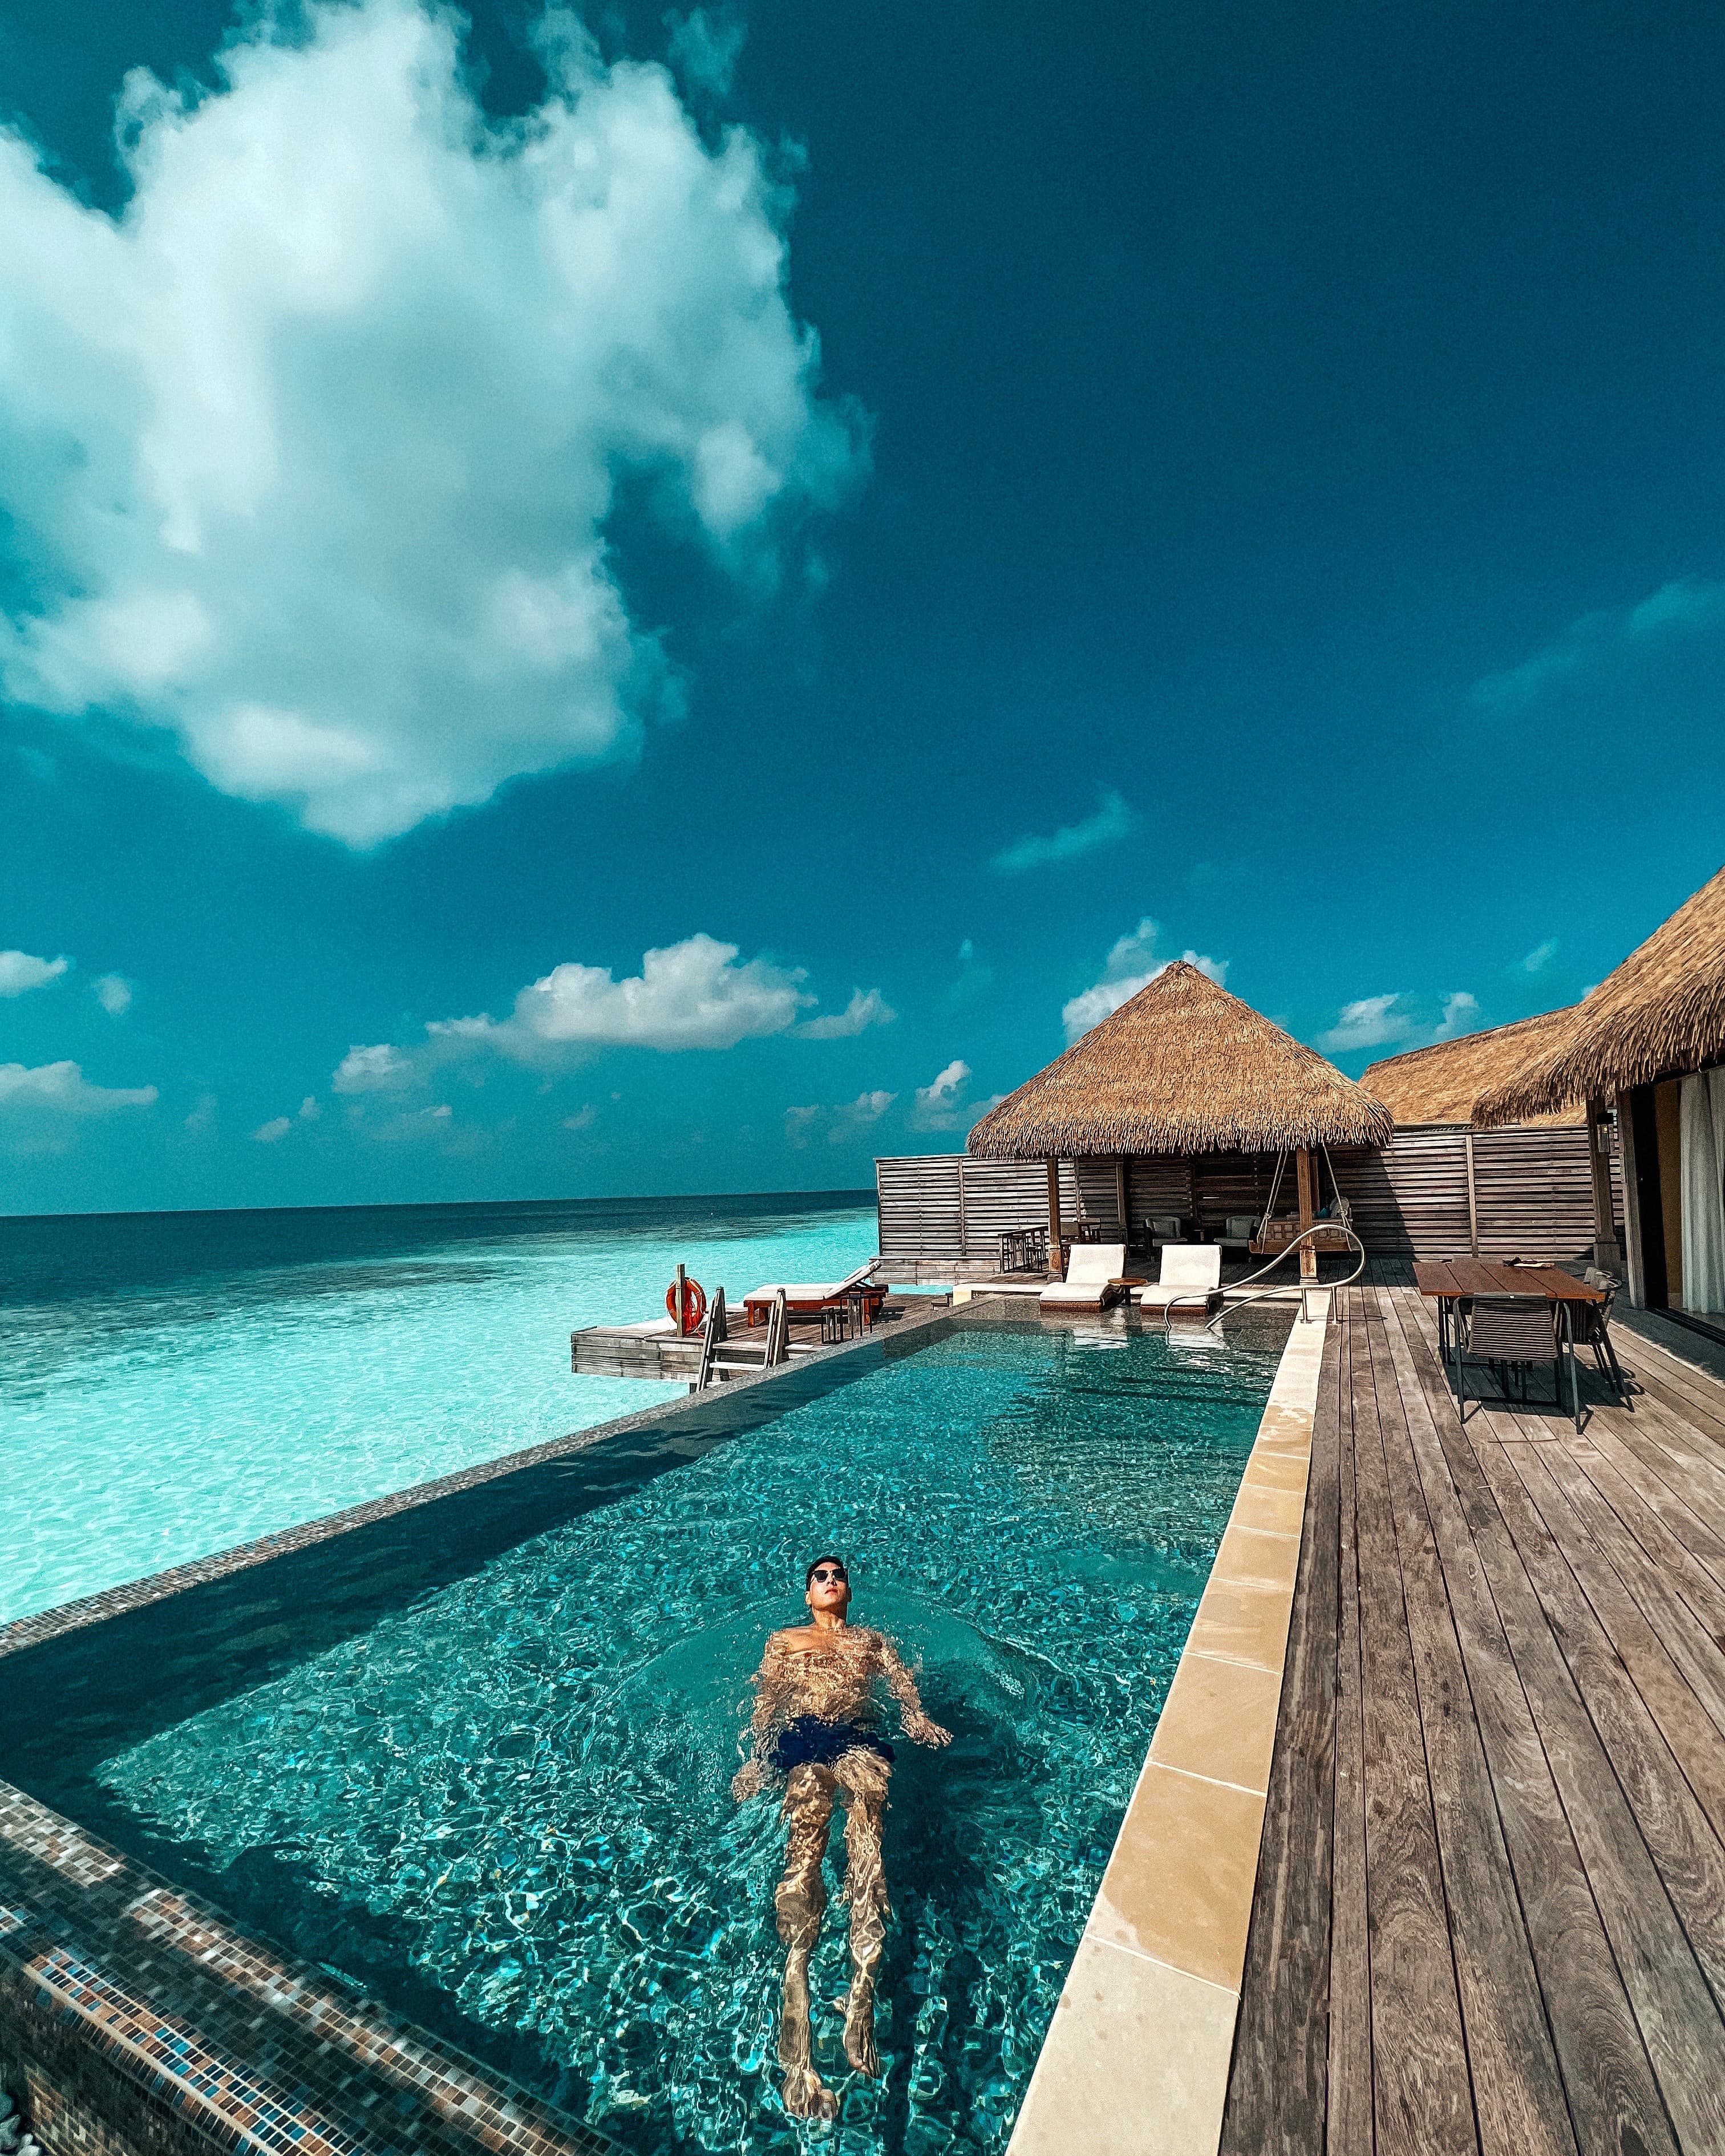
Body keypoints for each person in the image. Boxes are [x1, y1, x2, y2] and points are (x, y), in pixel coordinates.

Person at [732, 1554, 951, 2121]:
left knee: (868, 1854)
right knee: (803, 1860)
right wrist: (758, 1759)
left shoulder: (871, 1641)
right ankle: (797, 2017)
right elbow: (766, 1699)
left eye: (838, 1575)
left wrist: (916, 1717)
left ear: (849, 1589)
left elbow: (902, 1683)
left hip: (857, 1739)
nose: (830, 1581)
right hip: (803, 1741)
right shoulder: (786, 1639)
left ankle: (862, 1995)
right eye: (820, 1577)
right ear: (809, 1593)